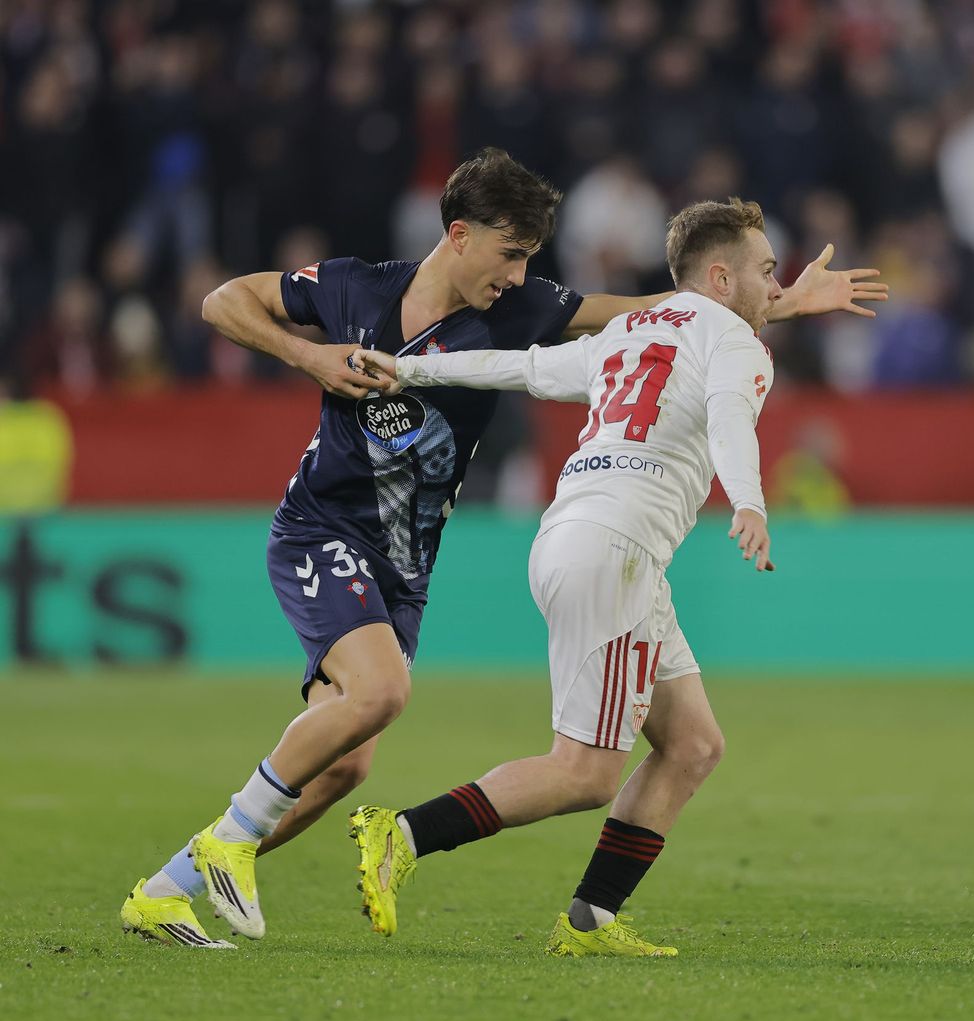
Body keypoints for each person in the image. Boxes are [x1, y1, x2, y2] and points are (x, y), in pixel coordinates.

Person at [118, 150, 886, 949]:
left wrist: (778, 302)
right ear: (460, 235)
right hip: (324, 529)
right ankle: (234, 842)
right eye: (511, 253)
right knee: (393, 698)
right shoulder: (353, 287)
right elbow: (222, 301)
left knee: (346, 763)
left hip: (406, 566)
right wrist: (309, 356)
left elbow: (666, 311)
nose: (520, 276)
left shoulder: (526, 309)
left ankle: (166, 889)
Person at [343, 197, 785, 957]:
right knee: (585, 773)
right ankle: (403, 833)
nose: (776, 287)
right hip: (615, 551)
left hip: (576, 537)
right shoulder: (735, 342)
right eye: (768, 271)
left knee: (692, 744)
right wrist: (748, 500)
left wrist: (408, 366)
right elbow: (728, 418)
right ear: (721, 278)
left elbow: (519, 366)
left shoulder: (629, 332)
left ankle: (590, 922)